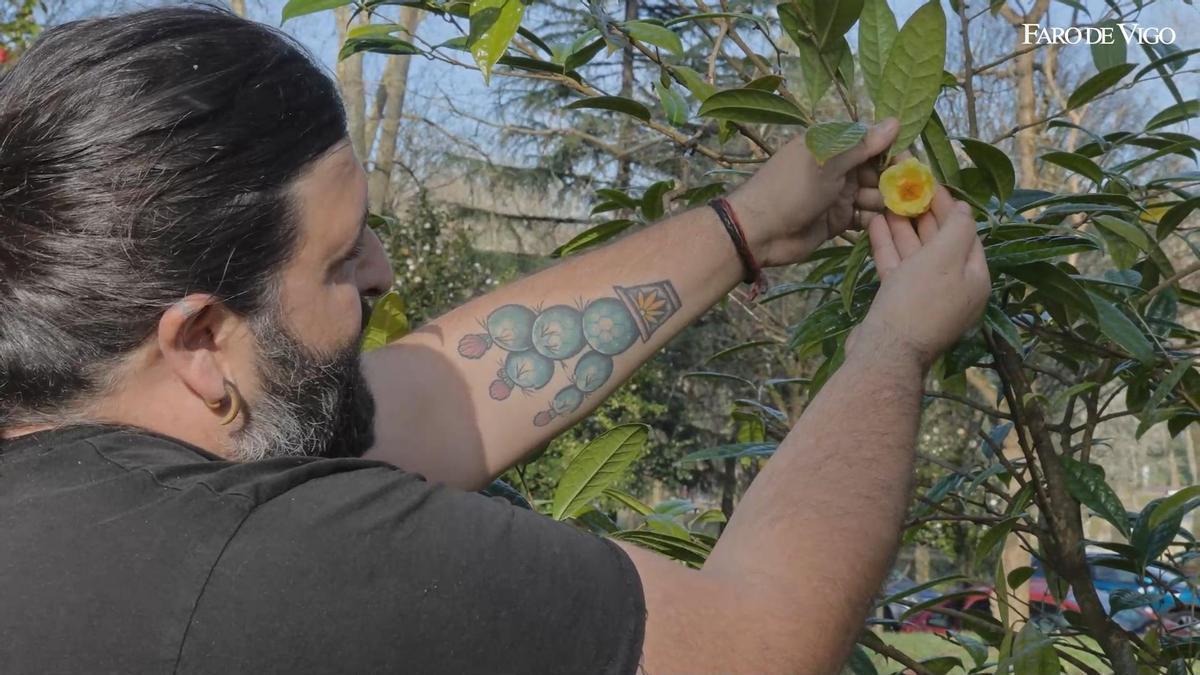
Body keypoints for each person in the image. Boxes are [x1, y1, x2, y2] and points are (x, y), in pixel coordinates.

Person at [0, 6, 990, 674]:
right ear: (202, 341)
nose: (383, 269)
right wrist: (892, 347)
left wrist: (746, 229)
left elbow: (433, 399)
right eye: (341, 259)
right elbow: (756, 645)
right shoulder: (257, 560)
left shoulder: (83, 475)